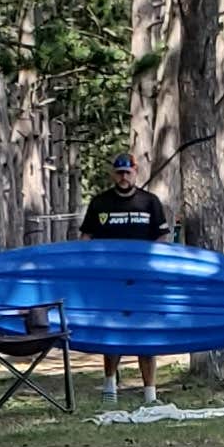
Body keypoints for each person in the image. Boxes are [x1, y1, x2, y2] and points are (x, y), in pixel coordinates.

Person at [83, 150, 170, 408]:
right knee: (112, 332)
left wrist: (151, 262)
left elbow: (162, 237)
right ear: (113, 174)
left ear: (135, 173)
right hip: (111, 281)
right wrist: (93, 266)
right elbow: (86, 239)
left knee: (147, 333)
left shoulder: (150, 202)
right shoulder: (100, 203)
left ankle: (150, 393)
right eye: (119, 173)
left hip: (143, 280)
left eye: (127, 173)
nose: (123, 177)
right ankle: (110, 384)